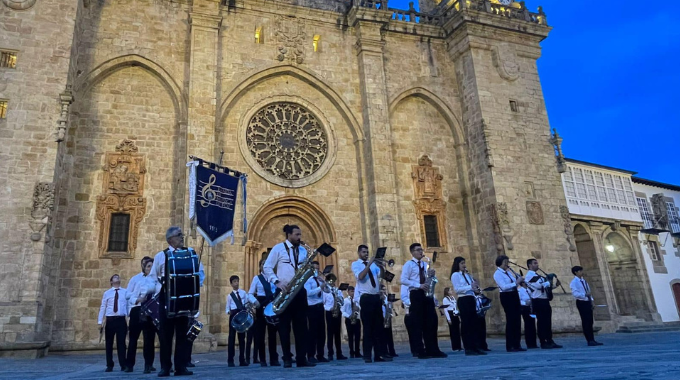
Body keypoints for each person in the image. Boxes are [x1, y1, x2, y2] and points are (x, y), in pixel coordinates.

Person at [263, 224, 315, 368]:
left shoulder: (303, 251)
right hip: (284, 291)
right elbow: (266, 267)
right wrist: (277, 282)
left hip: (299, 292)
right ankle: (286, 358)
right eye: (297, 235)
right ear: (289, 235)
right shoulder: (278, 249)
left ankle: (301, 359)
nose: (300, 237)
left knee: (302, 327)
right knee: (284, 327)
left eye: (300, 235)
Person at [149, 226, 196, 377]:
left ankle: (180, 367)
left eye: (182, 235)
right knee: (165, 336)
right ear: (170, 239)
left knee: (182, 335)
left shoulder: (189, 254)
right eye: (178, 235)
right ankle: (165, 367)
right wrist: (163, 291)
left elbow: (198, 273)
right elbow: (152, 278)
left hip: (183, 300)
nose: (182, 237)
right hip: (166, 300)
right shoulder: (160, 256)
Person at [400, 243, 447, 359]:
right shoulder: (409, 265)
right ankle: (420, 350)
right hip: (416, 294)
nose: (421, 252)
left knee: (431, 322)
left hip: (427, 295)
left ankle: (433, 349)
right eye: (418, 250)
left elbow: (427, 281)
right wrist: (418, 285)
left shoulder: (425, 265)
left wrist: (430, 276)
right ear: (412, 252)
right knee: (417, 324)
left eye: (421, 250)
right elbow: (403, 280)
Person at [351, 244, 391, 363]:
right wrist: (369, 264)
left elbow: (382, 276)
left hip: (376, 297)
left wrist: (381, 266)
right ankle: (367, 355)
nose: (366, 254)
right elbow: (361, 277)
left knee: (378, 328)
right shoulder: (356, 264)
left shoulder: (374, 265)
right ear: (359, 253)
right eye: (364, 252)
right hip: (366, 298)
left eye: (367, 252)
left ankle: (379, 355)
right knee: (368, 328)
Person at [125, 257, 158, 373]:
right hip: (137, 310)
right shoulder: (135, 279)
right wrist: (137, 299)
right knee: (133, 338)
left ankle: (148, 364)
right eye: (148, 266)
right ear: (143, 267)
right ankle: (129, 365)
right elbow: (127, 295)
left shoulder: (156, 280)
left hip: (150, 312)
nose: (150, 268)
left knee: (149, 339)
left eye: (152, 266)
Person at [450, 256, 486, 356]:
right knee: (466, 324)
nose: (464, 265)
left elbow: (472, 287)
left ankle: (475, 346)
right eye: (462, 263)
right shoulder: (455, 275)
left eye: (464, 263)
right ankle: (468, 347)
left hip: (471, 298)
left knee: (474, 324)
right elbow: (457, 289)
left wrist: (476, 289)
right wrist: (470, 286)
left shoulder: (467, 275)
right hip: (463, 299)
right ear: (457, 264)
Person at [248, 258, 281, 366]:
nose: (264, 265)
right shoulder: (257, 278)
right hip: (261, 304)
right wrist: (255, 301)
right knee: (260, 334)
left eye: (266, 263)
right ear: (260, 266)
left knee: (272, 334)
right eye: (262, 264)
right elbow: (250, 294)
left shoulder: (274, 278)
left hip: (271, 305)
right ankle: (262, 359)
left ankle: (273, 359)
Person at [525, 258, 562, 350]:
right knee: (541, 322)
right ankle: (543, 342)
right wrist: (548, 281)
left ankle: (549, 340)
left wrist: (555, 285)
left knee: (547, 321)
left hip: (545, 300)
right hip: (538, 300)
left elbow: (545, 287)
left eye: (537, 263)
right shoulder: (529, 276)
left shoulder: (538, 275)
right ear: (530, 265)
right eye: (535, 263)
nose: (537, 265)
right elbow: (538, 286)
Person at [493, 255, 525, 352]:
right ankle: (510, 345)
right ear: (500, 263)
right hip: (507, 296)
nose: (507, 264)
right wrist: (516, 282)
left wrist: (519, 281)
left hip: (514, 294)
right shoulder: (497, 274)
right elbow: (504, 286)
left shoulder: (509, 272)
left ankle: (517, 344)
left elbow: (514, 282)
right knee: (511, 320)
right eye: (505, 262)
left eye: (507, 262)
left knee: (517, 320)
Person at [98, 274, 130, 372]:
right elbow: (103, 307)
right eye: (114, 277)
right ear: (111, 281)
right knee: (109, 343)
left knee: (121, 343)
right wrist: (100, 321)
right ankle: (109, 365)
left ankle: (123, 364)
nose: (117, 278)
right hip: (110, 319)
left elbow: (128, 306)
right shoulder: (107, 293)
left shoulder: (125, 292)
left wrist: (129, 318)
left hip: (121, 320)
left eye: (118, 277)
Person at [226, 275, 257, 367]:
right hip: (234, 317)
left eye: (237, 281)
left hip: (242, 315)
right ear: (231, 284)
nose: (236, 283)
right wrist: (229, 312)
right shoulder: (230, 296)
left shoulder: (243, 293)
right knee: (231, 338)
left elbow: (248, 302)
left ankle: (242, 360)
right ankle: (230, 360)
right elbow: (227, 308)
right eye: (234, 282)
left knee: (242, 338)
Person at [570, 266, 603, 346]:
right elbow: (575, 294)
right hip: (581, 302)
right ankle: (589, 340)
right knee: (585, 321)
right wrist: (584, 295)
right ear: (576, 272)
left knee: (590, 321)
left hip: (587, 302)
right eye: (580, 271)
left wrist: (591, 302)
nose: (582, 272)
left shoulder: (584, 281)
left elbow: (588, 292)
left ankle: (592, 339)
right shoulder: (574, 282)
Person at [305, 261, 329, 363]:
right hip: (312, 307)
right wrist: (320, 287)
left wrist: (325, 283)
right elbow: (309, 293)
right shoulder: (307, 280)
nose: (316, 271)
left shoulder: (319, 280)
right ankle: (310, 355)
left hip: (320, 307)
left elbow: (327, 291)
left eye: (317, 269)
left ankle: (320, 354)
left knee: (321, 333)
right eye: (314, 269)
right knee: (312, 332)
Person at [186, 261, 205, 368]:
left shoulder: (195, 261)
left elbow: (201, 280)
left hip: (190, 304)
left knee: (189, 334)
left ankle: (187, 358)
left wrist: (195, 279)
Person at [323, 278, 346, 360]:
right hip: (330, 312)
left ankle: (339, 353)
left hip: (337, 311)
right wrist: (330, 308)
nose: (333, 283)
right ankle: (330, 353)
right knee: (330, 334)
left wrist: (339, 299)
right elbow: (323, 303)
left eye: (333, 281)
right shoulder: (325, 291)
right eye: (331, 282)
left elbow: (342, 301)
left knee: (337, 333)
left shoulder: (337, 290)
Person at [340, 286, 361, 359]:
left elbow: (360, 308)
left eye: (354, 291)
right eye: (351, 291)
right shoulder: (345, 300)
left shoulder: (357, 300)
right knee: (351, 336)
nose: (353, 293)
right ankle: (351, 352)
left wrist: (358, 308)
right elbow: (342, 311)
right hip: (349, 319)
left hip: (357, 319)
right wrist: (349, 316)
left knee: (358, 336)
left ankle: (357, 352)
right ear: (348, 292)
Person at [441, 287, 462, 351]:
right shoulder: (445, 299)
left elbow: (455, 307)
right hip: (450, 314)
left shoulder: (453, 298)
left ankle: (459, 346)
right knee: (453, 331)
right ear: (447, 291)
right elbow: (445, 309)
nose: (452, 291)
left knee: (457, 331)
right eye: (450, 290)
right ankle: (455, 347)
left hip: (455, 314)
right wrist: (448, 319)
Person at [380, 285, 398, 357]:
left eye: (385, 289)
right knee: (383, 336)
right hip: (382, 317)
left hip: (387, 317)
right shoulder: (380, 298)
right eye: (383, 290)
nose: (384, 291)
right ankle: (385, 351)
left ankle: (392, 351)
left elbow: (389, 306)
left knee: (389, 336)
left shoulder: (387, 297)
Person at [518, 283, 538, 349]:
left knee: (532, 325)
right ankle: (529, 343)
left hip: (531, 307)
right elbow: (518, 300)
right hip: (525, 308)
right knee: (528, 325)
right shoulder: (520, 290)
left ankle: (534, 343)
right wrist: (525, 303)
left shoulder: (529, 289)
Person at [401, 284, 418, 356]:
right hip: (410, 313)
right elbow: (404, 299)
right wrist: (415, 303)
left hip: (418, 311)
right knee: (412, 334)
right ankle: (415, 350)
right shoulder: (405, 285)